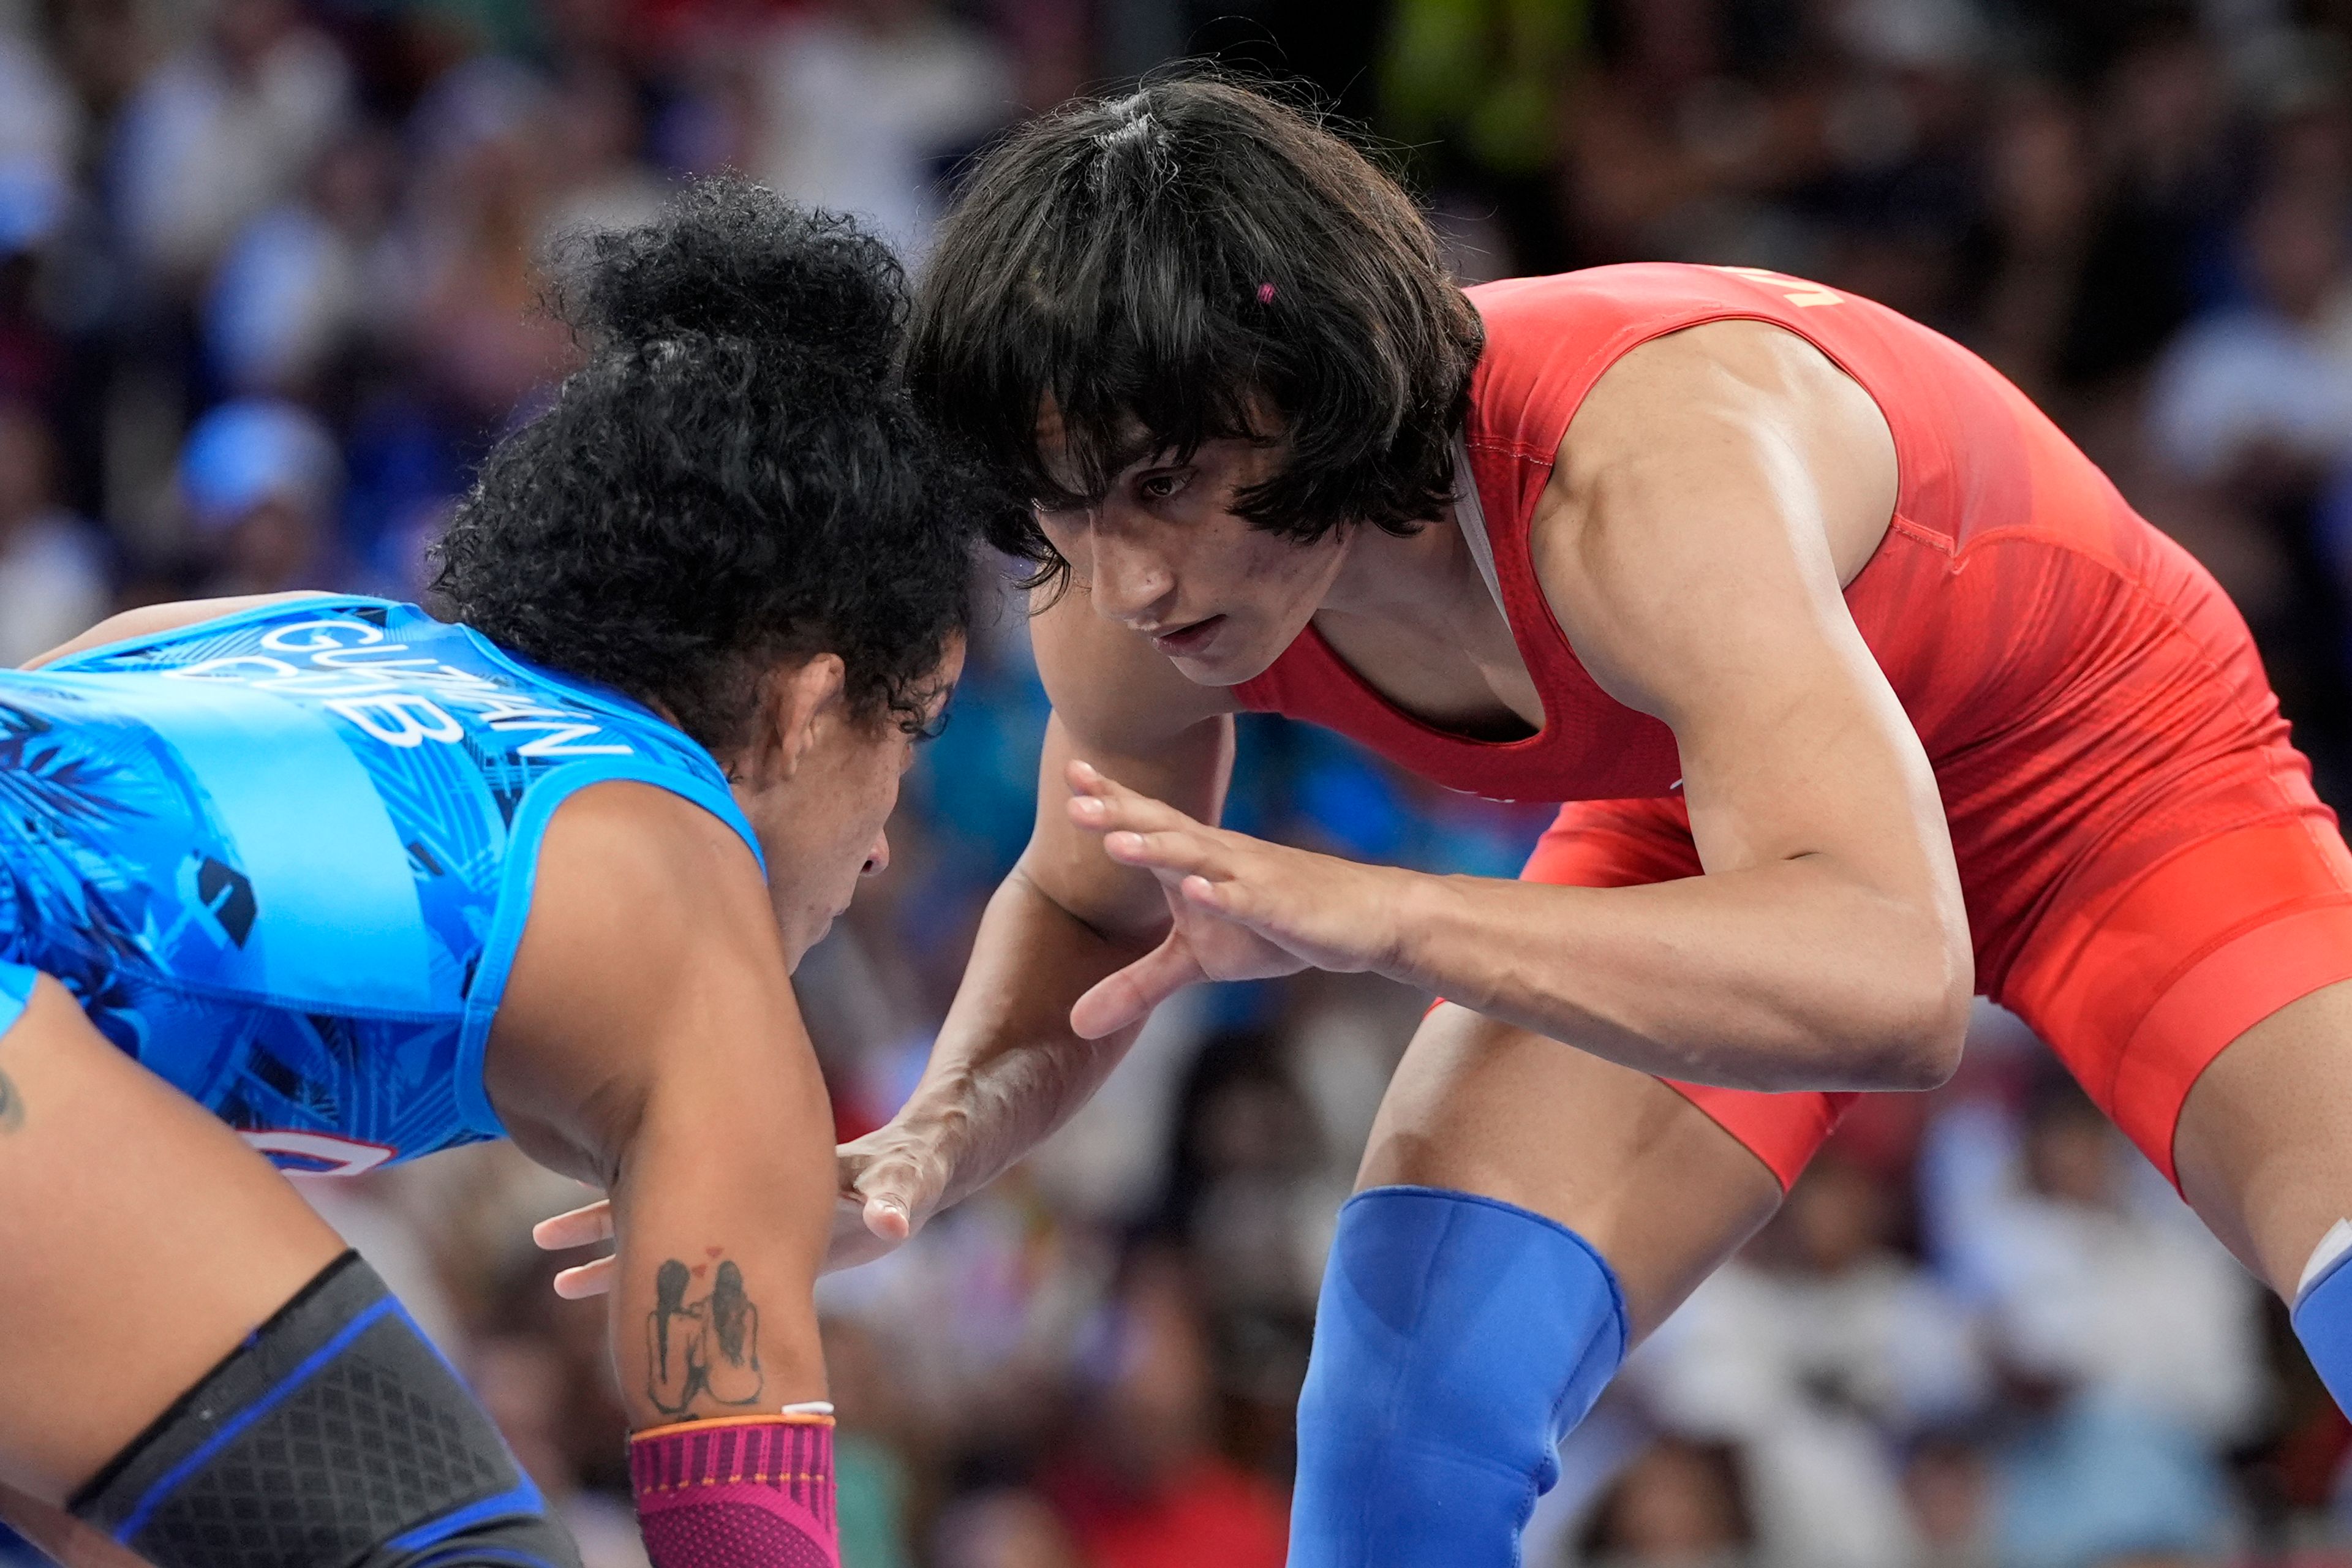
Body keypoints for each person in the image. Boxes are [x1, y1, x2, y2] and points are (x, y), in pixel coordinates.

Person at [0, 179, 997, 1568]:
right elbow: (741, 1533)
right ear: (809, 707)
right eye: (912, 735)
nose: (888, 842)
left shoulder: (250, 633)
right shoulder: (688, 890)